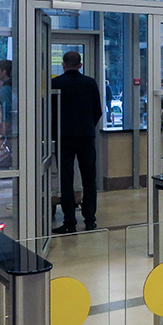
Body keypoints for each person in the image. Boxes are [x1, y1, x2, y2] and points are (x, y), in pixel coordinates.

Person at [52, 51, 102, 234]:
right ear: (80, 65)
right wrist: (88, 126)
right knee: (89, 178)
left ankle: (69, 221)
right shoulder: (90, 83)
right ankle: (90, 220)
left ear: (63, 65)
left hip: (63, 138)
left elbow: (50, 112)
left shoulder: (55, 83)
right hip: (86, 137)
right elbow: (98, 110)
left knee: (66, 179)